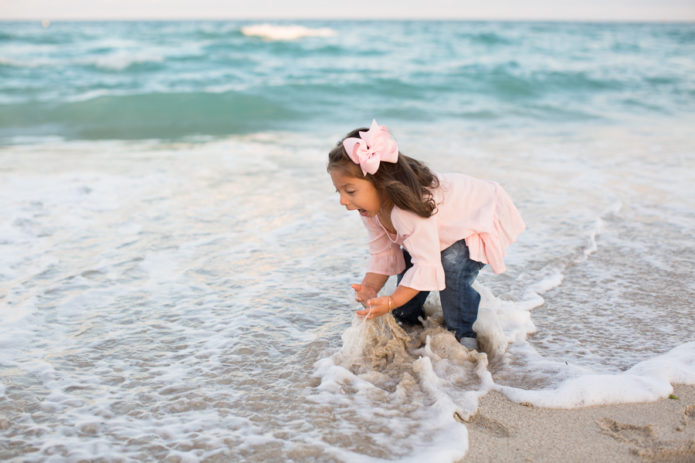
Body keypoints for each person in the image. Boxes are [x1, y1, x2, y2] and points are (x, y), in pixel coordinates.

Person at [327, 120, 525, 350]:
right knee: (405, 296)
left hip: (476, 213)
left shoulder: (407, 211)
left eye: (350, 191)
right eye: (338, 191)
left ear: (380, 183)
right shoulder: (370, 211)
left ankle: (462, 334)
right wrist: (371, 287)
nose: (343, 200)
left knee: (450, 265)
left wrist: (392, 300)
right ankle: (410, 319)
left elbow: (426, 263)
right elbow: (383, 252)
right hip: (433, 228)